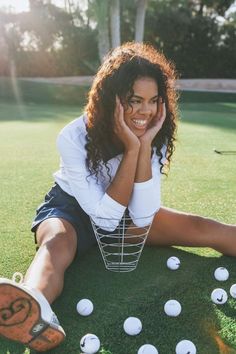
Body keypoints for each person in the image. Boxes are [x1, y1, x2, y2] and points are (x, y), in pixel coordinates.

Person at [0, 42, 235, 352]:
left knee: (202, 227)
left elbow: (141, 216)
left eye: (153, 101)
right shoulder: (72, 137)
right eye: (133, 100)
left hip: (128, 214)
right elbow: (104, 218)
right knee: (57, 243)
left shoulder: (155, 132)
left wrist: (143, 146)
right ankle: (30, 312)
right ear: (111, 99)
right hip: (70, 209)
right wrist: (132, 149)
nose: (145, 111)